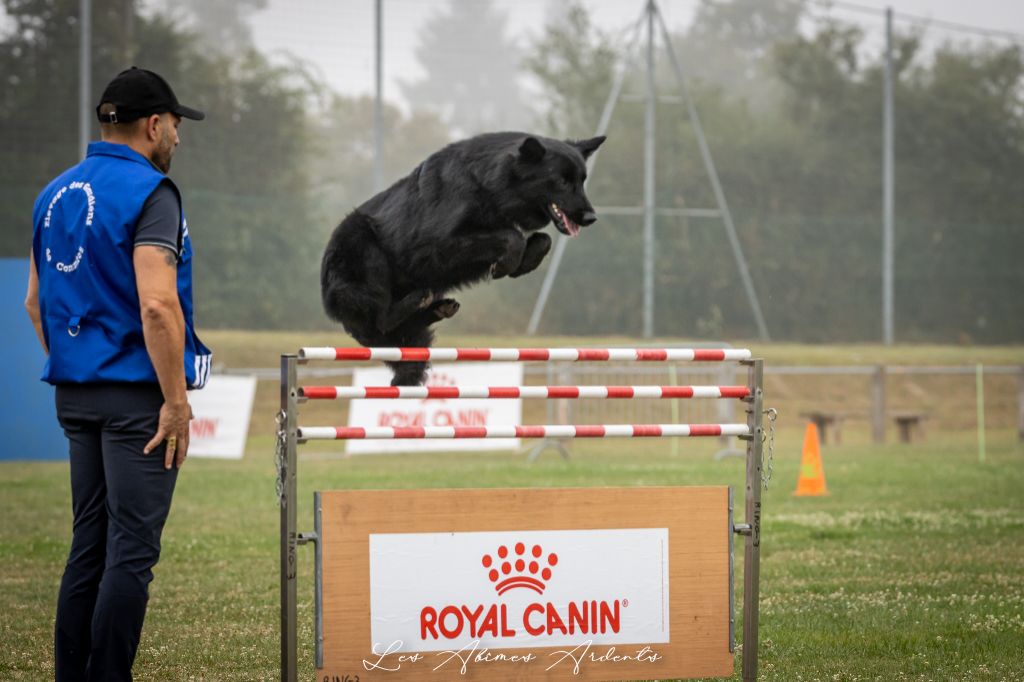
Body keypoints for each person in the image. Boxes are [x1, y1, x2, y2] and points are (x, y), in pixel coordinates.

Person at [24, 66, 211, 682]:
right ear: (154, 125)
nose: (178, 139)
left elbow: (34, 302)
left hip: (76, 395)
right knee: (131, 554)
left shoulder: (51, 194)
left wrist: (80, 366)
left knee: (90, 547)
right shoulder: (152, 192)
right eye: (176, 126)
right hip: (138, 400)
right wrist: (176, 401)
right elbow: (157, 303)